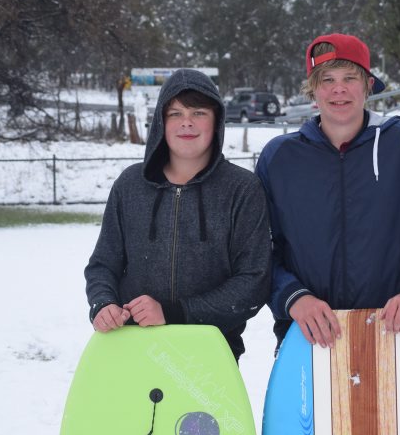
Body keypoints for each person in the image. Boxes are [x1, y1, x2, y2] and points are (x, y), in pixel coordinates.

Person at [255, 33, 400, 348]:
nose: (338, 89)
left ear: (368, 84)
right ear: (313, 89)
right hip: (309, 338)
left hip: (398, 335)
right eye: (327, 79)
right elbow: (255, 247)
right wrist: (292, 296)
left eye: (350, 78)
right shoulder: (280, 158)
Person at [85, 69, 271, 361]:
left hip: (210, 354)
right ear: (161, 121)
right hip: (130, 349)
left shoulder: (242, 190)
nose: (186, 122)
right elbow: (102, 265)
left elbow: (253, 282)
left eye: (198, 112)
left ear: (217, 121)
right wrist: (103, 303)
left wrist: (176, 312)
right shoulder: (130, 185)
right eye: (175, 113)